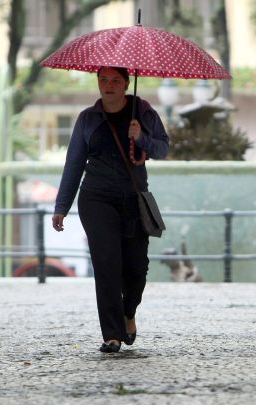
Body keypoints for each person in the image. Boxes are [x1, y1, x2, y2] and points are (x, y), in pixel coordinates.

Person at [52, 66, 169, 353]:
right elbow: (74, 164)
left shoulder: (143, 112)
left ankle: (129, 312)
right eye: (103, 79)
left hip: (133, 199)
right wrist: (61, 206)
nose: (109, 85)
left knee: (136, 268)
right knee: (106, 264)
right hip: (96, 198)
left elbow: (162, 149)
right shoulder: (88, 119)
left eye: (116, 80)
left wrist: (141, 137)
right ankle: (112, 334)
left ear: (127, 83)